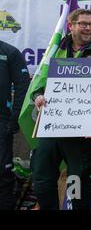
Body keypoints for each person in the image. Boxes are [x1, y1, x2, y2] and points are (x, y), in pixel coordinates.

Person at [32, 9, 91, 210]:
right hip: (51, 128)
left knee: (76, 182)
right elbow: (37, 85)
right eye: (83, 24)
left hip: (81, 132)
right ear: (71, 26)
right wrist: (38, 97)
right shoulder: (55, 49)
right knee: (43, 179)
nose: (88, 28)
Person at [0, 40, 30, 210]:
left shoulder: (9, 51)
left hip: (2, 121)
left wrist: (14, 119)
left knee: (2, 174)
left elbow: (22, 84)